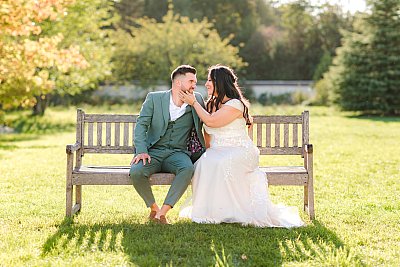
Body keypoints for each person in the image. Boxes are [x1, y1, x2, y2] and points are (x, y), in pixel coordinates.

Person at [178, 65, 304, 227]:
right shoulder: (211, 104)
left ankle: (232, 212)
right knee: (204, 162)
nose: (207, 84)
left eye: (210, 80)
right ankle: (212, 211)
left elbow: (211, 122)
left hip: (240, 150)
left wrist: (194, 103)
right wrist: (207, 152)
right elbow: (207, 133)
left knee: (220, 163)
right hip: (218, 150)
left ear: (220, 82)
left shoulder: (236, 104)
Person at [129, 65, 206, 224]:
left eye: (195, 82)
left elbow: (209, 118)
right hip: (153, 151)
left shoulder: (197, 99)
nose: (194, 85)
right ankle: (154, 208)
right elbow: (141, 125)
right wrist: (141, 151)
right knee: (136, 172)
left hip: (178, 153)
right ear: (178, 82)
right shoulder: (154, 98)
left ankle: (162, 213)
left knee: (187, 169)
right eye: (191, 81)